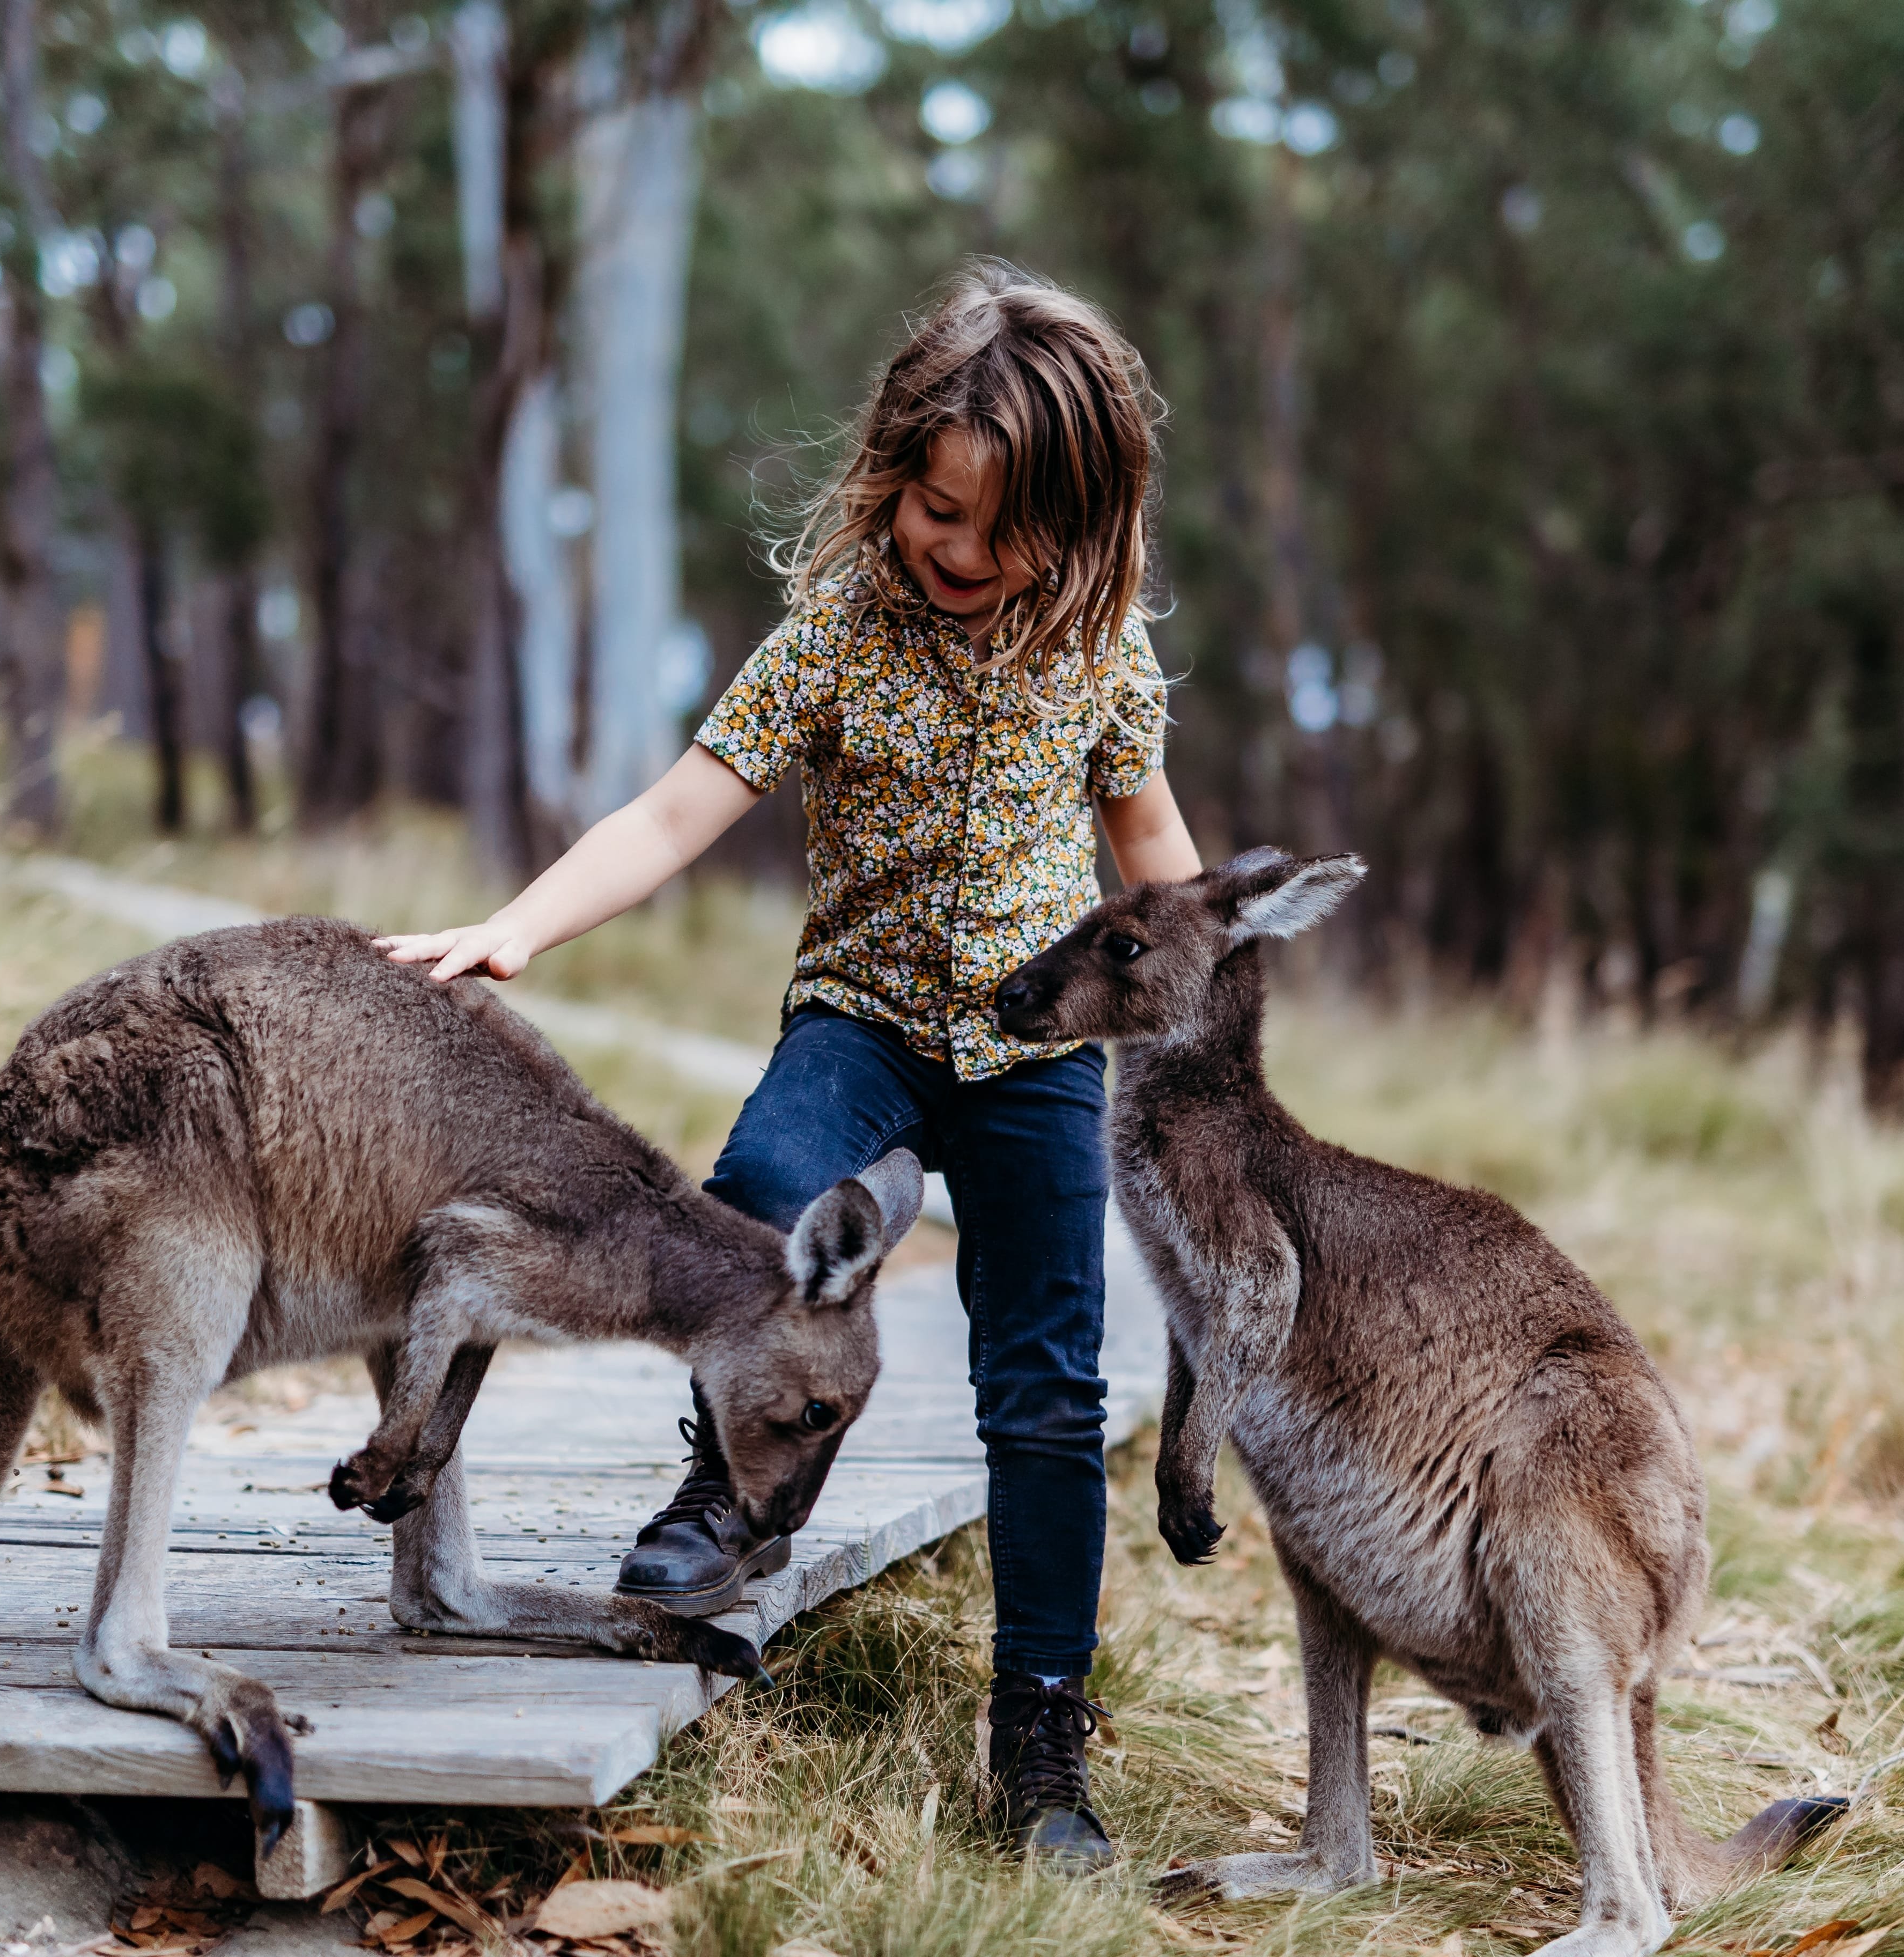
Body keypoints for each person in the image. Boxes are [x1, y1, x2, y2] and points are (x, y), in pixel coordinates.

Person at [377, 260, 1199, 1868]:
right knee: (755, 1199)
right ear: (892, 476)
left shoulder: (1102, 658)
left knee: (1048, 1389)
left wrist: (1194, 1004)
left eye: (1000, 530)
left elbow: (1152, 850)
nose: (957, 554)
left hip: (1036, 1058)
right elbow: (680, 809)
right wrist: (517, 930)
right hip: (866, 1022)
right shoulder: (834, 631)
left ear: (1085, 526)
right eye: (934, 512)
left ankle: (1042, 1732)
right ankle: (739, 1490)